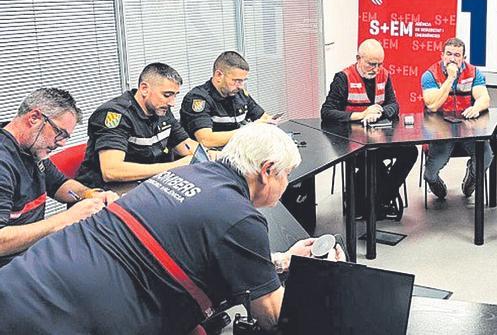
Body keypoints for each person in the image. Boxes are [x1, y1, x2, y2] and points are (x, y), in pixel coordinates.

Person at [0, 123, 345, 334]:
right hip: (60, 318)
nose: (287, 183)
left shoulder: (185, 174)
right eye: (286, 174)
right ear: (268, 170)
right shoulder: (241, 216)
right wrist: (317, 276)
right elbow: (271, 316)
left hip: (24, 282)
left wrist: (283, 260)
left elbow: (197, 247)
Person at [0, 88, 117, 267]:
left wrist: (91, 195)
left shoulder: (31, 149)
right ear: (34, 118)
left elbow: (60, 185)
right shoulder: (4, 163)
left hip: (32, 252)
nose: (62, 143)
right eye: (60, 133)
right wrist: (66, 218)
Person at [320, 39, 415, 220]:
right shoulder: (343, 78)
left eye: (380, 64)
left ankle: (382, 199)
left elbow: (394, 105)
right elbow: (327, 112)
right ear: (358, 58)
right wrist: (361, 115)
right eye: (372, 64)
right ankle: (368, 203)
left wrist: (379, 111)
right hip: (352, 143)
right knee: (372, 163)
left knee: (410, 152)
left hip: (379, 138)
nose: (376, 68)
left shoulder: (385, 75)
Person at [77, 63, 196, 189]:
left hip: (144, 185)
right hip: (104, 192)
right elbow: (111, 171)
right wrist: (173, 167)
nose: (172, 103)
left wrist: (211, 156)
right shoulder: (116, 115)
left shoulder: (161, 109)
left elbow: (185, 145)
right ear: (144, 89)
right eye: (167, 95)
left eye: (175, 95)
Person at [421, 37, 493, 200]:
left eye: (457, 55)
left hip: (468, 130)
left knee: (487, 156)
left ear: (463, 58)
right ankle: (433, 181)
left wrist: (476, 107)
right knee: (430, 172)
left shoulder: (474, 72)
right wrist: (450, 79)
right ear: (442, 55)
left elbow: (484, 98)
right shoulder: (430, 75)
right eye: (449, 54)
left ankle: (472, 176)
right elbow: (432, 105)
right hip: (441, 132)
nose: (452, 58)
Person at [180, 51, 277, 148]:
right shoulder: (198, 99)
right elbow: (206, 140)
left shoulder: (240, 93)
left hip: (238, 150)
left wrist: (268, 122)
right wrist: (250, 130)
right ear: (219, 75)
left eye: (244, 81)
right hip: (212, 157)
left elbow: (263, 117)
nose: (241, 86)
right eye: (237, 81)